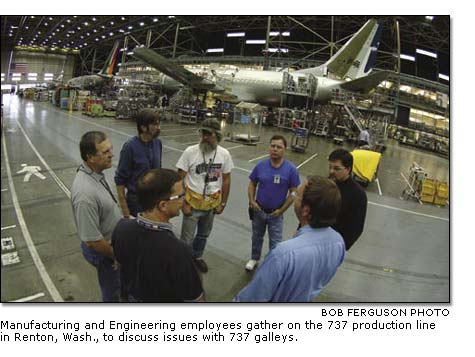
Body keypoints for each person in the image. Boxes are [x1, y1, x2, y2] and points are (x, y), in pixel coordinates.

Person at [234, 176, 345, 302]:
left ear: (305, 210)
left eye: (297, 195)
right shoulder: (338, 242)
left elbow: (252, 299)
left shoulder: (283, 254)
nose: (294, 197)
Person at [112, 169, 204, 302]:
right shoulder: (179, 252)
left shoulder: (121, 228)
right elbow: (196, 300)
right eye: (180, 196)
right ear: (163, 205)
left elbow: (120, 267)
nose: (184, 200)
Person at [176, 118, 234, 273]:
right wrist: (183, 203)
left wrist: (223, 203)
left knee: (203, 235)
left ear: (218, 136)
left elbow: (227, 180)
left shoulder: (224, 154)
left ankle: (197, 257)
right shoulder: (190, 152)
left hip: (211, 205)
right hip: (192, 204)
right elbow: (178, 179)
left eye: (209, 134)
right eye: (203, 133)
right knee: (186, 239)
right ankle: (183, 263)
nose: (205, 137)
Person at [71, 131, 122, 302]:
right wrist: (117, 256)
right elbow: (93, 240)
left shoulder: (95, 174)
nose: (111, 154)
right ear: (90, 157)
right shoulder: (85, 194)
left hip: (110, 243)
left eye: (111, 149)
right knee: (112, 291)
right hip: (104, 252)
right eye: (105, 152)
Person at [246, 135, 300, 271]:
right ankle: (254, 258)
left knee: (275, 242)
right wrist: (252, 201)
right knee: (256, 237)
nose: (274, 149)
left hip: (276, 214)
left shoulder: (291, 170)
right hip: (259, 210)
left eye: (279, 147)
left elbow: (294, 192)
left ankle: (271, 264)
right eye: (272, 146)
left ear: (284, 150)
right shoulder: (260, 166)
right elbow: (252, 184)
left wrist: (282, 210)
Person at [115, 108, 162, 217]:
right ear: (143, 127)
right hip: (135, 202)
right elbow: (120, 180)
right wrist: (125, 212)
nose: (158, 128)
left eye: (159, 124)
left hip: (153, 200)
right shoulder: (129, 147)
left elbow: (158, 171)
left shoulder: (157, 143)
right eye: (154, 125)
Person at [328, 149, 368, 250]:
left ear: (348, 169)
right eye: (330, 167)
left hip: (334, 246)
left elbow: (357, 227)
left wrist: (342, 247)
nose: (331, 171)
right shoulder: (326, 185)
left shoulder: (358, 194)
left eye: (337, 168)